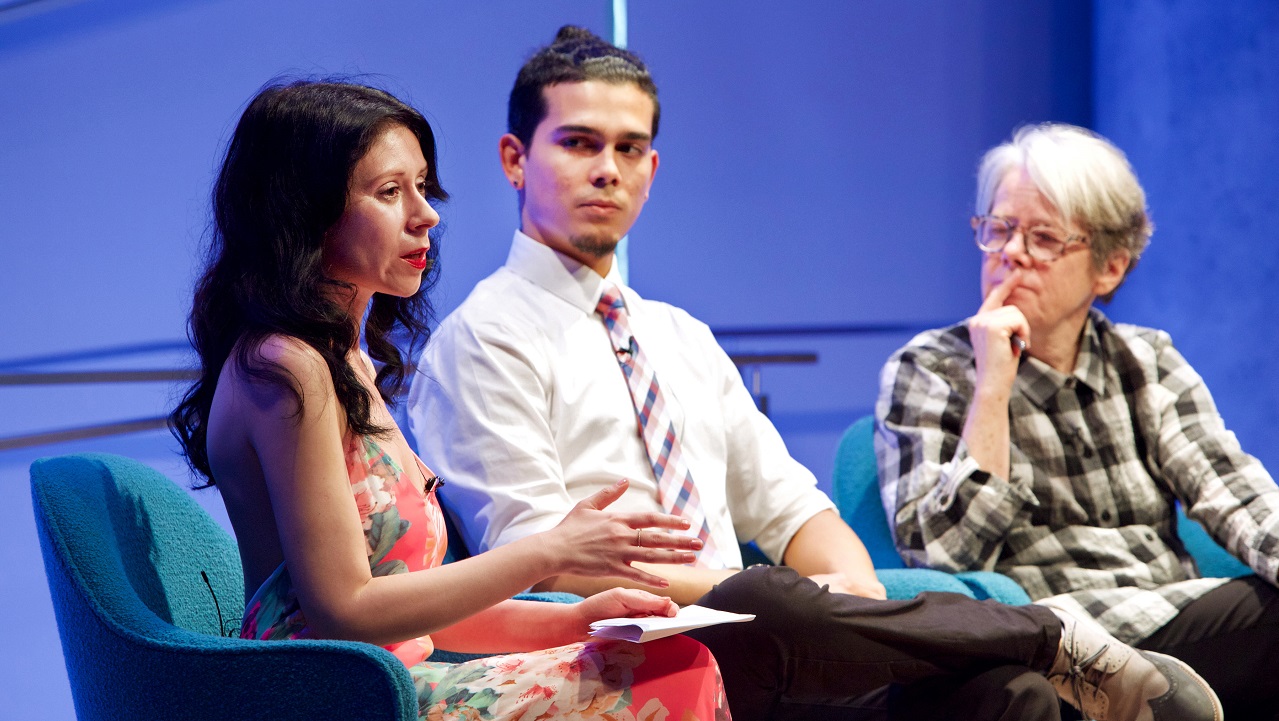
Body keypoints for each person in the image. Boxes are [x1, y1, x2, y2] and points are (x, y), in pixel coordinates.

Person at [407, 27, 1220, 721]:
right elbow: (533, 557)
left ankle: (1031, 653)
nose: (607, 170)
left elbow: (795, 509)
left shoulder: (676, 335)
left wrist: (844, 592)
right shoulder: (485, 337)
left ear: (652, 169)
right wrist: (735, 587)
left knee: (1005, 697)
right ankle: (1051, 635)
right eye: (579, 143)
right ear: (516, 159)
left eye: (628, 149)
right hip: (629, 648)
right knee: (769, 593)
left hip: (769, 644)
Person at [168, 79, 734, 721]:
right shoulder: (285, 365)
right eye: (390, 192)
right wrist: (549, 551)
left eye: (422, 187)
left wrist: (577, 618)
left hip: (388, 683)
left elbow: (414, 613)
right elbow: (346, 611)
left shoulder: (341, 361)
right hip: (331, 698)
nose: (426, 214)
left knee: (675, 656)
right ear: (305, 211)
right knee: (671, 675)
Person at [876, 122, 1279, 720]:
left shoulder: (1144, 360)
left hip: (1170, 617)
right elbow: (943, 557)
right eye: (998, 229)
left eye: (1041, 238)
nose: (1010, 253)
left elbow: (1233, 490)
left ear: (1109, 268)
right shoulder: (930, 370)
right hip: (1053, 639)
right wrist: (992, 388)